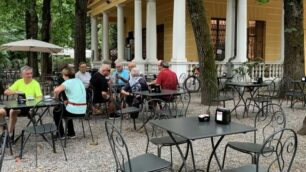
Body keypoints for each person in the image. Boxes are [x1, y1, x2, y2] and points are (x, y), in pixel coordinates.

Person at [4, 66, 43, 136]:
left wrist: (31, 100)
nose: (30, 75)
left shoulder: (35, 83)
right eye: (27, 74)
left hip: (29, 108)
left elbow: (40, 97)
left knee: (12, 111)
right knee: (2, 112)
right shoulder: (18, 82)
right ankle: (3, 132)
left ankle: (8, 135)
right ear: (22, 75)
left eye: (31, 73)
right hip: (18, 105)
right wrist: (17, 92)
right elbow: (6, 92)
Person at [53, 66, 87, 138]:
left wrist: (55, 95)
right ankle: (71, 133)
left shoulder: (67, 82)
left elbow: (56, 90)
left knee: (56, 110)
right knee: (66, 107)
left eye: (63, 75)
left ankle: (60, 134)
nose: (62, 77)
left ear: (66, 75)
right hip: (83, 110)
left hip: (74, 111)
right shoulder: (79, 81)